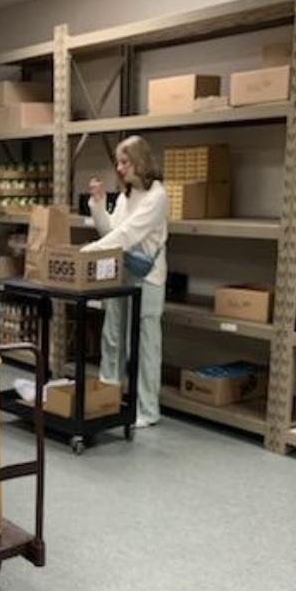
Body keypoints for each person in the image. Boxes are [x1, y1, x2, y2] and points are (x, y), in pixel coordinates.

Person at [82, 135, 168, 428]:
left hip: (148, 278)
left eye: (124, 162)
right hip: (121, 272)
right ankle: (108, 399)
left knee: (144, 345)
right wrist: (97, 204)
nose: (119, 168)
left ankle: (147, 409)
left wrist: (90, 252)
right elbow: (112, 231)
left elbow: (128, 234)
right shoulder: (126, 196)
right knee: (112, 336)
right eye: (118, 162)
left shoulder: (157, 196)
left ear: (140, 161)